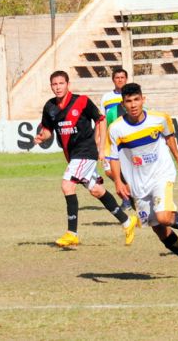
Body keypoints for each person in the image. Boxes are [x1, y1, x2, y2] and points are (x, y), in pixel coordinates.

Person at [107, 83, 178, 277]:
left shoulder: (160, 119)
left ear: (143, 99)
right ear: (123, 104)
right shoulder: (116, 129)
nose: (133, 105)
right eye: (128, 101)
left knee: (164, 217)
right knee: (158, 228)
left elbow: (169, 137)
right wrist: (118, 181)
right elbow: (113, 157)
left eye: (136, 99)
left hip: (161, 174)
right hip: (137, 184)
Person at [34, 70, 138, 247]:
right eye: (54, 84)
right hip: (73, 155)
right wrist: (41, 137)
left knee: (67, 185)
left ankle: (72, 233)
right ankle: (128, 222)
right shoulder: (49, 107)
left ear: (68, 84)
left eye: (61, 83)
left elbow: (101, 119)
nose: (58, 87)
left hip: (86, 152)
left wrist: (100, 146)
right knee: (96, 190)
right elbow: (47, 131)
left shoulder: (81, 101)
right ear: (51, 86)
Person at [99, 67, 133, 211]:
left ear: (126, 79)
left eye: (122, 77)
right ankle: (128, 195)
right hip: (110, 139)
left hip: (126, 139)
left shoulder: (131, 95)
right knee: (109, 171)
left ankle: (128, 199)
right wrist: (99, 140)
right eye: (117, 77)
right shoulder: (106, 98)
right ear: (113, 80)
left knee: (126, 169)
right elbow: (102, 120)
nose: (120, 80)